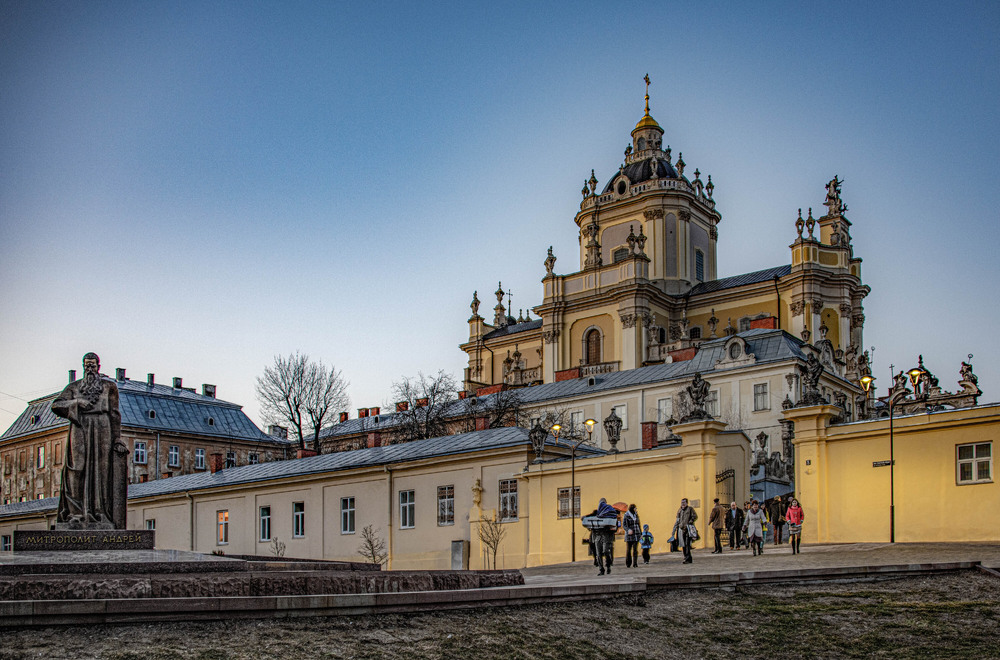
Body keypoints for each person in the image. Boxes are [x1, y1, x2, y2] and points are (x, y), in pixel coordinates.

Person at [51, 352, 128, 529]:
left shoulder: (109, 386)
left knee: (102, 471)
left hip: (103, 427)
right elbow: (56, 405)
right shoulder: (74, 387)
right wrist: (76, 402)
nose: (90, 369)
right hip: (79, 426)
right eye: (87, 366)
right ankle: (75, 514)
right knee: (76, 468)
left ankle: (100, 512)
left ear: (98, 367)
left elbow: (115, 413)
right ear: (83, 367)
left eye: (93, 365)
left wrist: (117, 438)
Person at [588, 498, 620, 575]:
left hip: (606, 535)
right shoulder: (597, 513)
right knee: (598, 553)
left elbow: (615, 525)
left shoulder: (610, 513)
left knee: (606, 551)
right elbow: (590, 521)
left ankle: (608, 565)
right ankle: (601, 569)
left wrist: (611, 529)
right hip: (597, 535)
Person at [672, 498, 698, 564]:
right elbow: (677, 519)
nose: (683, 504)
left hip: (688, 529)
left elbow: (694, 516)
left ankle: (687, 558)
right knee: (683, 544)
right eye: (682, 502)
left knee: (687, 544)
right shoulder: (680, 510)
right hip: (681, 529)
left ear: (686, 503)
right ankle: (686, 557)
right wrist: (675, 528)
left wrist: (690, 522)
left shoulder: (690, 509)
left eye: (684, 502)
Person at [622, 503, 641, 568]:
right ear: (632, 508)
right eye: (635, 508)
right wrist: (628, 530)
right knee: (628, 550)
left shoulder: (636, 515)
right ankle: (628, 563)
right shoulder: (626, 515)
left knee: (635, 550)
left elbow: (638, 524)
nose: (636, 509)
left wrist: (640, 533)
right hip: (629, 535)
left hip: (636, 534)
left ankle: (635, 563)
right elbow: (624, 525)